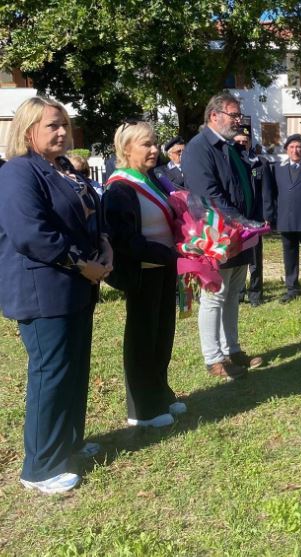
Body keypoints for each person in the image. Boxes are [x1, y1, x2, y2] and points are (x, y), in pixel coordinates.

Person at [0, 96, 112, 493]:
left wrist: (104, 243)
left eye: (65, 123)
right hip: (42, 289)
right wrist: (83, 263)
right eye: (53, 125)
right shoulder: (18, 172)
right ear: (28, 131)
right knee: (51, 373)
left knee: (74, 367)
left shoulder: (63, 168)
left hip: (76, 287)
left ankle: (68, 444)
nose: (63, 131)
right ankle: (40, 467)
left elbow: (90, 213)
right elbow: (31, 233)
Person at [102, 121, 183, 428]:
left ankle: (160, 394)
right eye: (145, 144)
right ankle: (142, 410)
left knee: (162, 337)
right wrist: (170, 255)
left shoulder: (151, 179)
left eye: (154, 143)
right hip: (143, 273)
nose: (153, 149)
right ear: (126, 149)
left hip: (163, 269)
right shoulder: (120, 187)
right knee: (142, 340)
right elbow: (125, 241)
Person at [182, 91, 264, 381]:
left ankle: (232, 349)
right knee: (215, 296)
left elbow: (243, 186)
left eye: (239, 115)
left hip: (239, 233)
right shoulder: (198, 148)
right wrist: (240, 221)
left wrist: (249, 222)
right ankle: (213, 358)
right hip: (217, 235)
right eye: (234, 115)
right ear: (214, 116)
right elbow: (209, 195)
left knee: (233, 295)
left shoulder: (229, 147)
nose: (238, 121)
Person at [264, 133, 301, 304]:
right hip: (286, 219)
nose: (295, 150)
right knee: (289, 256)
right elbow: (272, 194)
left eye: (298, 147)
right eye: (291, 147)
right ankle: (292, 288)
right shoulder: (278, 168)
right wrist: (272, 215)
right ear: (286, 150)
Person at [233, 126, 265, 307]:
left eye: (245, 142)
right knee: (236, 256)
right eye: (238, 142)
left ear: (250, 143)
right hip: (236, 219)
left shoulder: (259, 163)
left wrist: (265, 216)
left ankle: (255, 293)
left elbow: (266, 193)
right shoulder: (229, 163)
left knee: (254, 258)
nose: (242, 144)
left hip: (255, 218)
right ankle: (238, 292)